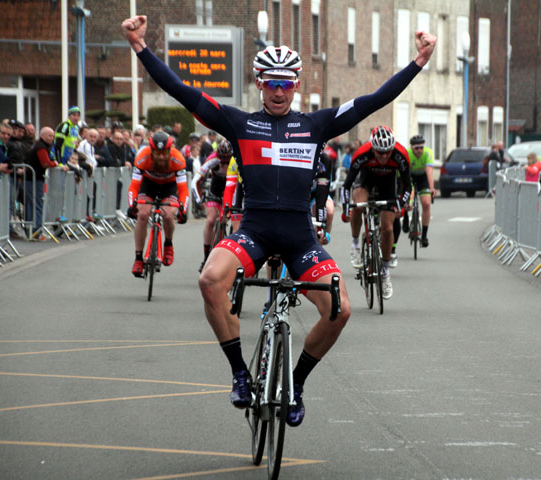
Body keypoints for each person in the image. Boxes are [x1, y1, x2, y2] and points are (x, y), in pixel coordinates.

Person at [122, 14, 434, 425]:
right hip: (253, 232)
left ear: (297, 85)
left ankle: (297, 383)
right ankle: (239, 373)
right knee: (209, 280)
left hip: (300, 239)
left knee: (340, 309)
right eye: (271, 82)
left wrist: (420, 60)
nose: (279, 91)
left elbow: (374, 100)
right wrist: (140, 46)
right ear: (260, 83)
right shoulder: (239, 123)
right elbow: (182, 91)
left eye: (287, 83)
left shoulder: (314, 125)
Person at [341, 125, 412, 300]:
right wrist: (345, 207)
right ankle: (356, 245)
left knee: (388, 228)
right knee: (358, 205)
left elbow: (407, 186)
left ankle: (385, 272)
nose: (384, 156)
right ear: (373, 148)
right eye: (380, 153)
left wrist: (400, 205)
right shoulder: (362, 154)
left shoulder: (400, 155)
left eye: (387, 152)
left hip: (388, 184)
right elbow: (346, 186)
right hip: (366, 179)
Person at [126, 130, 188, 277]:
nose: (161, 156)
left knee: (168, 215)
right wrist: (131, 205)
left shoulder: (178, 159)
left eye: (164, 152)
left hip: (169, 187)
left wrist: (183, 210)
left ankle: (168, 243)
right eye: (157, 152)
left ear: (170, 150)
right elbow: (134, 186)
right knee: (142, 214)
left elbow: (183, 190)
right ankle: (138, 258)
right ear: (151, 150)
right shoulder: (142, 157)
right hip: (149, 185)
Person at [191, 139, 233, 272]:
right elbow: (195, 181)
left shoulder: (238, 159)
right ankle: (206, 257)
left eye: (227, 162)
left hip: (232, 188)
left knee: (229, 218)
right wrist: (199, 201)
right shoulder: (213, 159)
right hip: (216, 186)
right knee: (210, 220)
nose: (224, 165)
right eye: (222, 162)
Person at [26, 127, 69, 233]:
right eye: (50, 136)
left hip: (36, 178)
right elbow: (45, 163)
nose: (52, 138)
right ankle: (36, 230)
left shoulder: (46, 146)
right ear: (42, 136)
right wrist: (54, 164)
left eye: (53, 136)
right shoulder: (41, 147)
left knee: (35, 203)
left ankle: (33, 230)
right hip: (35, 179)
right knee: (37, 204)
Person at [406, 134, 435, 247]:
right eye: (416, 148)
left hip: (423, 178)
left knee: (426, 204)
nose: (419, 150)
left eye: (421, 147)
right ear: (412, 147)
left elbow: (429, 172)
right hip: (410, 177)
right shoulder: (407, 154)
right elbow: (405, 174)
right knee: (408, 199)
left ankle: (424, 236)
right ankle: (405, 219)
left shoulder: (428, 153)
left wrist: (432, 188)